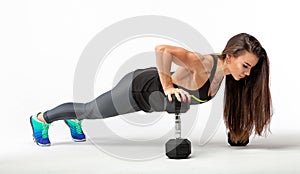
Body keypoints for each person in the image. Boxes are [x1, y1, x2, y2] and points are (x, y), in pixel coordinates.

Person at [30, 33, 272, 147]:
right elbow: (163, 49)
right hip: (137, 90)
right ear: (229, 56)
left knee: (88, 111)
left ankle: (74, 121)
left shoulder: (226, 75)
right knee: (91, 110)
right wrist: (168, 87)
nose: (248, 73)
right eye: (246, 66)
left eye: (251, 68)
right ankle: (41, 119)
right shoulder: (204, 64)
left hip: (148, 89)